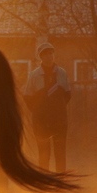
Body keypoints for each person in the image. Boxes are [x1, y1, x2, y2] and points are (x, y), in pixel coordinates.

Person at [22, 40, 71, 172]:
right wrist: (38, 111)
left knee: (60, 152)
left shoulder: (62, 73)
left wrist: (57, 108)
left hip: (60, 120)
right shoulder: (33, 75)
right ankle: (45, 184)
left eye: (51, 53)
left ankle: (61, 181)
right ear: (41, 57)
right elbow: (27, 97)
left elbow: (67, 95)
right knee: (44, 154)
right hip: (41, 121)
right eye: (45, 54)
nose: (49, 56)